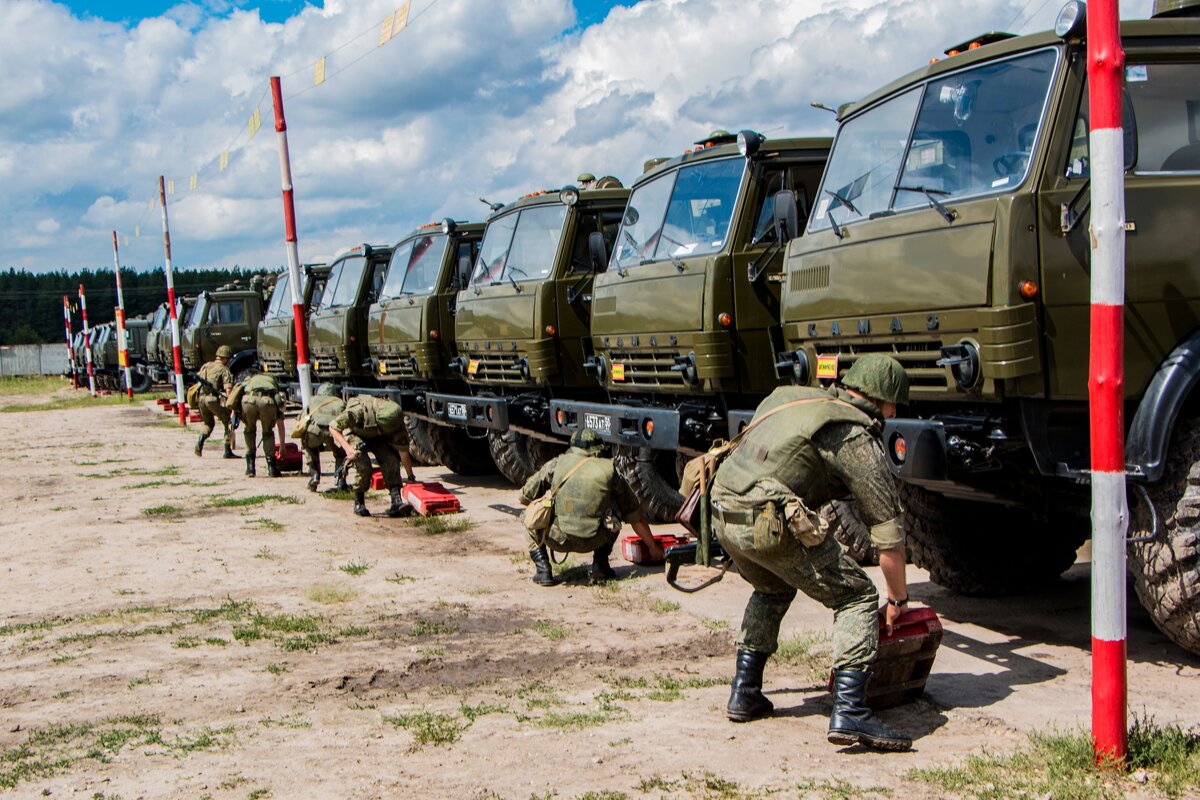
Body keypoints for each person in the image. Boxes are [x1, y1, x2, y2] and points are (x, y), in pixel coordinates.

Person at [710, 353, 914, 752]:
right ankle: (852, 711)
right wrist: (898, 599)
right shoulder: (851, 433)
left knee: (772, 588)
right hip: (765, 521)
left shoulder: (793, 399)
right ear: (883, 400)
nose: (895, 411)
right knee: (856, 595)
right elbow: (888, 535)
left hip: (721, 511)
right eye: (895, 404)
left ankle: (744, 691)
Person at [519, 428, 663, 586]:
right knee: (614, 513)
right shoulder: (610, 470)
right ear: (599, 448)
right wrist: (653, 548)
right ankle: (600, 565)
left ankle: (543, 570)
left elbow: (525, 495)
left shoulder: (556, 464)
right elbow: (635, 518)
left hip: (557, 539)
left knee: (527, 517)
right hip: (595, 538)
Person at [329, 395, 417, 517]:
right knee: (363, 464)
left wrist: (411, 477)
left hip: (376, 436)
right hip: (355, 433)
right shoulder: (357, 412)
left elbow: (403, 450)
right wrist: (348, 449)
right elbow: (333, 427)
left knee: (390, 459)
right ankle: (359, 502)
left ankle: (396, 500)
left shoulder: (394, 419)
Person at [237, 372, 288, 478]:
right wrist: (282, 446)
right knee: (268, 433)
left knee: (249, 431)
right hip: (267, 401)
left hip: (248, 400)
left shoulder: (251, 380)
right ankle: (272, 469)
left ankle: (250, 468)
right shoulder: (273, 384)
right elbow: (280, 423)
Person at [299, 383, 348, 493]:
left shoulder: (313, 400)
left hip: (314, 431)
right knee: (341, 453)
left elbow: (301, 418)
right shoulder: (340, 402)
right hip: (334, 432)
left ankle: (314, 475)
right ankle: (340, 480)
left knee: (309, 448)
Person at [194, 345, 236, 459]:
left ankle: (200, 442)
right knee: (228, 421)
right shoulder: (224, 369)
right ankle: (227, 450)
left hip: (201, 399)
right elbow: (228, 390)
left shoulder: (206, 366)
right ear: (225, 358)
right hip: (212, 399)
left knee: (208, 424)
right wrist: (232, 406)